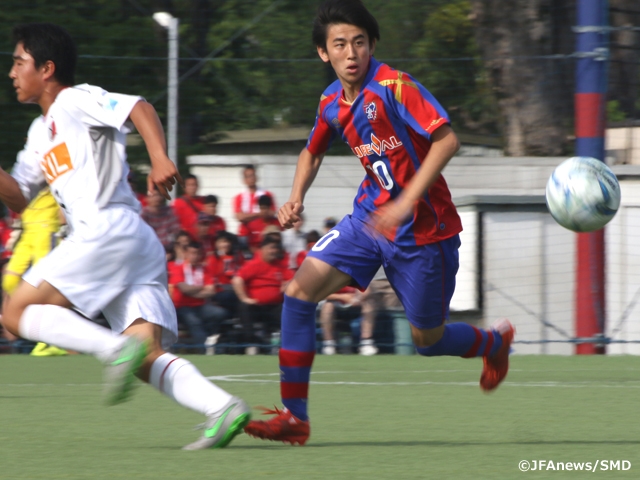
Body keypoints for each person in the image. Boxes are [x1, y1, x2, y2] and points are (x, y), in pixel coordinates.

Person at [244, 0, 514, 446]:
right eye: (340, 45)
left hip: (424, 233)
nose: (351, 53)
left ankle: (492, 344)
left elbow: (448, 141)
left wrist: (408, 200)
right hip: (368, 220)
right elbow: (312, 150)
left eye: (359, 43)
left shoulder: (395, 86)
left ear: (372, 46)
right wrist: (295, 198)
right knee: (297, 294)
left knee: (427, 340)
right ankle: (295, 418)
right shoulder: (331, 100)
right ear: (323, 53)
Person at [1, 23, 249, 449]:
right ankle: (222, 407)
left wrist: (159, 157)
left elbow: (139, 107)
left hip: (106, 229)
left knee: (13, 314)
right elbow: (20, 197)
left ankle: (110, 349)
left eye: (18, 62)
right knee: (145, 354)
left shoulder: (74, 99)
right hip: (132, 244)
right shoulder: (38, 135)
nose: (11, 72)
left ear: (46, 69)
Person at [2, 185, 67, 356]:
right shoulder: (31, 167)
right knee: (9, 280)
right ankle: (30, 321)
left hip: (47, 231)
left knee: (43, 284)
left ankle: (50, 341)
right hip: (28, 231)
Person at [231, 233, 293, 354]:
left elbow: (292, 279)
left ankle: (289, 345)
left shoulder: (280, 266)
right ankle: (251, 344)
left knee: (291, 310)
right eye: (271, 248)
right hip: (256, 306)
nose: (274, 251)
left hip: (275, 306)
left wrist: (287, 285)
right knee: (244, 307)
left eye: (275, 248)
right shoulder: (253, 265)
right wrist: (244, 298)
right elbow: (237, 280)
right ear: (263, 249)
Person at [168, 242, 228, 353]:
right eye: (192, 253)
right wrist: (201, 288)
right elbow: (183, 288)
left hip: (200, 305)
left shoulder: (205, 269)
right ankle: (204, 350)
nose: (195, 256)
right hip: (182, 307)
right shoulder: (178, 268)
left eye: (198, 253)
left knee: (219, 313)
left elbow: (211, 291)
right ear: (186, 253)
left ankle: (209, 338)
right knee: (194, 321)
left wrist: (192, 291)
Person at [232, 165, 276, 241]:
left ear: (257, 177)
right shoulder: (239, 197)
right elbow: (240, 217)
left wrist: (248, 216)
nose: (251, 178)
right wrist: (259, 214)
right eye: (248, 176)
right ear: (244, 180)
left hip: (264, 233)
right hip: (245, 235)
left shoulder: (267, 194)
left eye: (253, 175)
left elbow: (272, 212)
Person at [172, 174, 203, 240]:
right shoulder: (178, 203)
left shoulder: (204, 201)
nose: (193, 187)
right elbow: (174, 223)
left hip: (201, 240)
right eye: (190, 185)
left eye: (195, 185)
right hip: (186, 240)